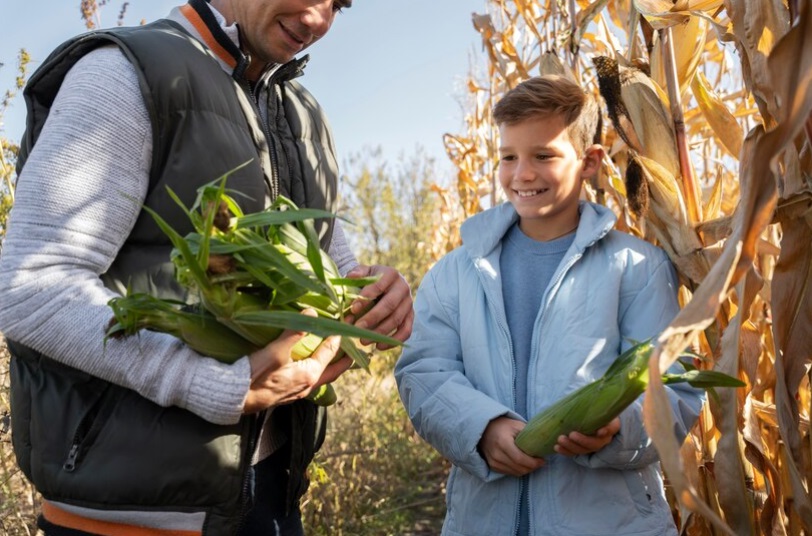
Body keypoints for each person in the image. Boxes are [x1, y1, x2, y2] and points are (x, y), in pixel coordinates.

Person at [0, 1, 413, 535]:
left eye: (336, 2)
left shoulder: (300, 112)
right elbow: (31, 289)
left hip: (269, 498)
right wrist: (208, 383)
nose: (317, 19)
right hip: (132, 515)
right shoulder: (127, 73)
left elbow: (329, 259)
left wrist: (371, 294)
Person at [394, 75, 704, 536]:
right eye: (508, 157)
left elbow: (675, 390)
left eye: (543, 156)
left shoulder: (636, 268)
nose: (522, 174)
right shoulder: (455, 272)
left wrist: (619, 427)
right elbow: (423, 372)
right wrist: (482, 429)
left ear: (590, 161)